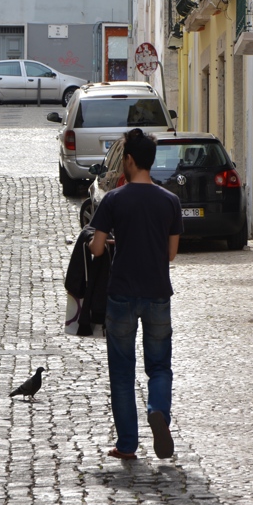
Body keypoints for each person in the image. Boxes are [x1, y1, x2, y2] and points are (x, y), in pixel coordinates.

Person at [90, 128, 183, 460]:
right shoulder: (170, 201)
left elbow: (98, 248)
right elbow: (170, 254)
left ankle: (127, 444)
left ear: (129, 161)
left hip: (122, 295)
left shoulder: (114, 200)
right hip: (158, 293)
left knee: (122, 372)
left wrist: (96, 242)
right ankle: (158, 410)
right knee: (159, 366)